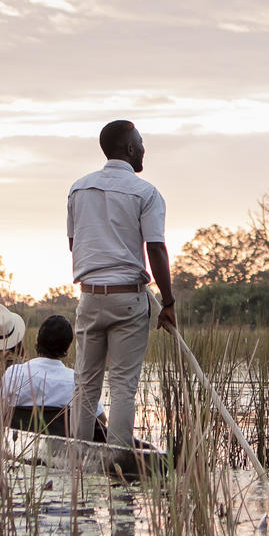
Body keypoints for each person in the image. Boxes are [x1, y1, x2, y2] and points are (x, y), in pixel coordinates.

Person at [67, 120, 177, 450]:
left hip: (89, 297)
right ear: (130, 149)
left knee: (85, 384)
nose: (144, 149)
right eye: (141, 143)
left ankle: (78, 461)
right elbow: (155, 247)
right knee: (123, 385)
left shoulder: (78, 188)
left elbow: (75, 243)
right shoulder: (147, 192)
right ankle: (116, 459)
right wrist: (168, 303)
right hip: (128, 299)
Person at [0, 314, 76, 434]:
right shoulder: (75, 381)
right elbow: (101, 418)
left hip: (17, 439)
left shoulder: (14, 373)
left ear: (37, 339)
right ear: (68, 348)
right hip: (61, 442)